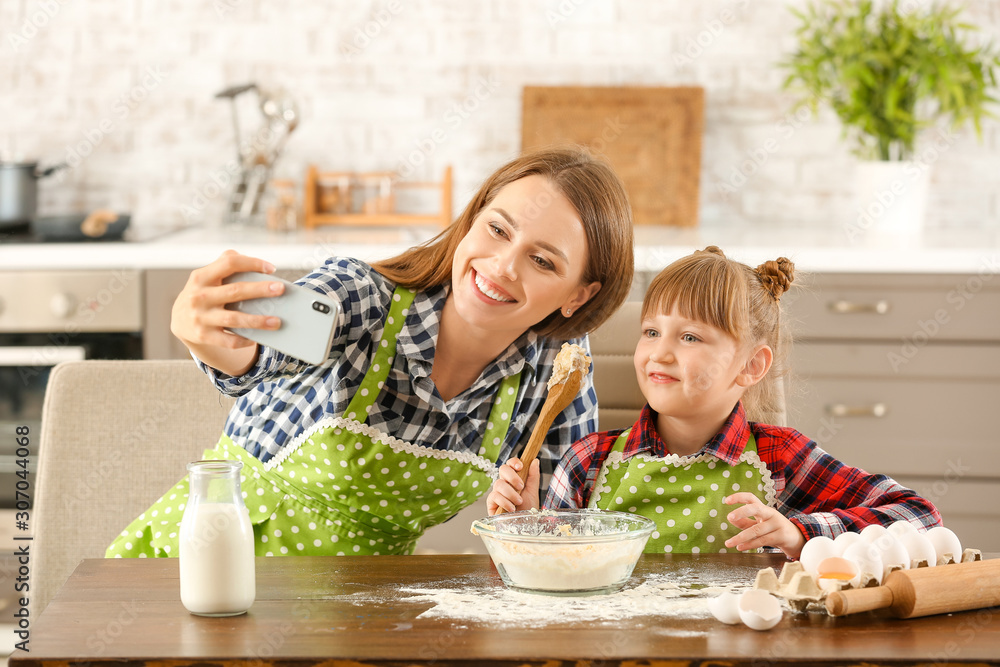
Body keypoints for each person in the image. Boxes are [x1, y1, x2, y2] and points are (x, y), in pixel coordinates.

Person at [107, 147, 634, 558]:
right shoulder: (361, 295)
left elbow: (576, 526)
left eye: (542, 261)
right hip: (212, 560)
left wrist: (529, 524)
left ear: (578, 295)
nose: (501, 265)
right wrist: (215, 339)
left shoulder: (557, 368)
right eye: (497, 229)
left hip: (366, 606)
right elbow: (258, 355)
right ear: (472, 219)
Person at [486, 246, 941, 558]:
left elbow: (918, 515)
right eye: (651, 332)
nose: (659, 353)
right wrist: (524, 526)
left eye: (689, 337)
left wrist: (800, 533)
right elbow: (543, 588)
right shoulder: (587, 460)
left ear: (750, 366)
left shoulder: (780, 458)